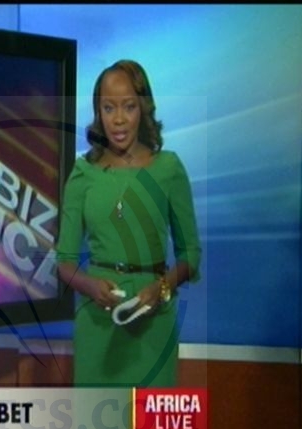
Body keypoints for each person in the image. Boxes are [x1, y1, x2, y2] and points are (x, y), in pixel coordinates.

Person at [55, 59, 201, 387]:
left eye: (129, 107)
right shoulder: (83, 173)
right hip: (97, 323)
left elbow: (190, 254)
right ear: (98, 112)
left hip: (154, 323)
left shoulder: (169, 169)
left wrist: (161, 289)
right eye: (109, 108)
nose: (118, 119)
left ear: (143, 108)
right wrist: (91, 286)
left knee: (149, 419)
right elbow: (64, 262)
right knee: (97, 420)